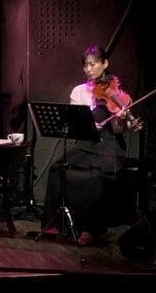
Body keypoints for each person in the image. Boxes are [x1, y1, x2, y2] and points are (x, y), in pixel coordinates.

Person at [42, 45, 137, 246]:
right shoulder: (79, 91)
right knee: (56, 168)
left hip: (109, 145)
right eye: (86, 65)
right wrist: (87, 125)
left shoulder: (118, 93)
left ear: (105, 63)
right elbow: (74, 124)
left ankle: (91, 228)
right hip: (87, 143)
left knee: (95, 175)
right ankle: (55, 223)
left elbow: (120, 131)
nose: (89, 69)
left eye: (93, 64)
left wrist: (120, 119)